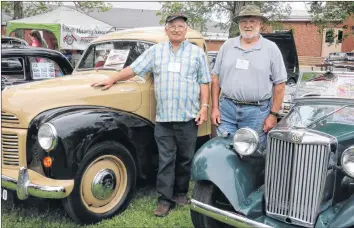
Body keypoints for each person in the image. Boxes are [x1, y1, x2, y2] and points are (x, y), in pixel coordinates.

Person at [91, 13, 211, 217]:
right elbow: (134, 69)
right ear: (166, 30)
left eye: (180, 26)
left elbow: (204, 81)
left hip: (189, 116)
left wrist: (204, 106)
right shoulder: (156, 51)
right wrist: (113, 79)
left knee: (185, 158)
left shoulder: (196, 53)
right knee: (166, 159)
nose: (176, 29)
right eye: (172, 26)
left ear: (186, 30)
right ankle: (164, 200)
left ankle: (181, 193)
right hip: (164, 118)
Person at [211, 5, 287, 150]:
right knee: (224, 152)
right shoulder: (227, 46)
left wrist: (273, 115)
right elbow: (215, 77)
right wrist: (215, 107)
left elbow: (280, 84)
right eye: (244, 21)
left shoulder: (271, 49)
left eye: (252, 21)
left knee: (253, 154)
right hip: (227, 109)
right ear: (239, 24)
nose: (248, 25)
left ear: (260, 24)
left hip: (257, 112)